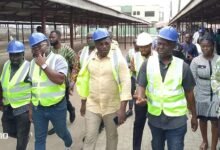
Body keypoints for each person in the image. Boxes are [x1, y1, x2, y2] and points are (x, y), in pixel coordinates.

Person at [135, 26, 198, 150]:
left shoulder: (183, 67)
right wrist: (140, 98)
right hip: (155, 120)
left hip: (177, 121)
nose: (161, 47)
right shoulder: (147, 64)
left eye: (165, 44)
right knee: (157, 147)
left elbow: (190, 94)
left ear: (174, 45)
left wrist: (194, 116)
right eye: (159, 43)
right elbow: (141, 85)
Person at [76, 28, 131, 150]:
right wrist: (83, 102)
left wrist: (122, 109)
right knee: (89, 136)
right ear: (95, 45)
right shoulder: (91, 58)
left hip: (111, 106)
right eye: (101, 44)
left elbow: (126, 82)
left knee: (111, 136)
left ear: (110, 41)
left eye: (107, 43)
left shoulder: (117, 59)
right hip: (93, 105)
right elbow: (85, 81)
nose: (104, 46)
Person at [28, 32, 72, 150]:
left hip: (57, 107)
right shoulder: (32, 64)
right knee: (40, 139)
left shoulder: (58, 59)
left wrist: (43, 65)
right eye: (33, 48)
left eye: (39, 46)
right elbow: (32, 88)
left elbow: (60, 80)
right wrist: (31, 108)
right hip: (39, 109)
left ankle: (68, 144)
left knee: (61, 132)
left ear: (47, 44)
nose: (36, 50)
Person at [0, 40, 31, 150]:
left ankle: (23, 139)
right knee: (7, 130)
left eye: (17, 55)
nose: (14, 58)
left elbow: (36, 90)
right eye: (11, 55)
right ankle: (25, 136)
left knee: (21, 139)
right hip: (8, 105)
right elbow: (2, 82)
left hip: (23, 108)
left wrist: (31, 109)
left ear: (23, 54)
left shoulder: (29, 67)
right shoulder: (6, 64)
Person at [191, 36, 219, 150]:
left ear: (213, 46)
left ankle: (213, 147)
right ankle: (205, 141)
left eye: (208, 46)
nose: (205, 48)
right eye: (203, 46)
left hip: (217, 94)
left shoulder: (219, 59)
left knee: (215, 121)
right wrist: (191, 102)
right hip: (201, 94)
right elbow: (191, 81)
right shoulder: (196, 61)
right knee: (202, 119)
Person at [47, 30, 77, 135]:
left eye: (53, 37)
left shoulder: (67, 50)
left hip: (64, 83)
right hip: (51, 82)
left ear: (59, 38)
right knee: (56, 103)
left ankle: (59, 125)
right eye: (50, 37)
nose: (51, 39)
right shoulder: (49, 50)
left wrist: (73, 81)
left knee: (61, 103)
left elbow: (76, 65)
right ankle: (70, 110)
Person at [131, 32, 156, 150]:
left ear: (151, 45)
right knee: (138, 124)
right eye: (141, 47)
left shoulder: (157, 57)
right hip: (140, 97)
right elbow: (133, 74)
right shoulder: (135, 57)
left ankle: (156, 145)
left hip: (154, 98)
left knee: (155, 125)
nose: (143, 49)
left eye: (146, 46)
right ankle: (136, 147)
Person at [125, 39, 138, 117]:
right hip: (132, 76)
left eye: (137, 43)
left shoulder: (143, 52)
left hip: (140, 76)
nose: (136, 44)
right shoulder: (130, 52)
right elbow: (126, 61)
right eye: (134, 43)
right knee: (131, 93)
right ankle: (130, 109)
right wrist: (130, 65)